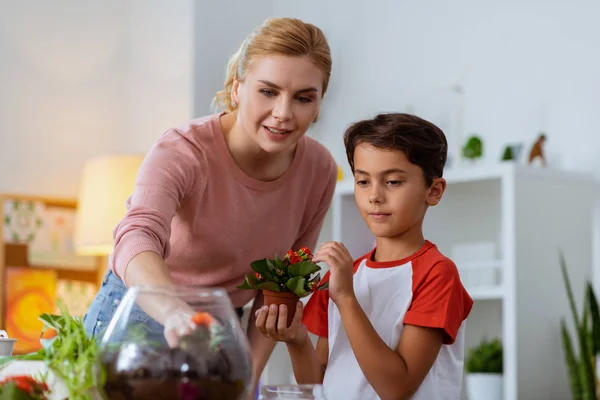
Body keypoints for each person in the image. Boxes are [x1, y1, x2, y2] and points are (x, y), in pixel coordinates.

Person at [82, 17, 337, 397]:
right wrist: (175, 313)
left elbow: (280, 285)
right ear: (237, 89)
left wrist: (248, 373)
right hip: (138, 312)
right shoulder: (183, 151)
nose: (284, 112)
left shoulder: (319, 170)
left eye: (303, 97)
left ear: (318, 105)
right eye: (268, 91)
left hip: (222, 324)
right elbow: (137, 236)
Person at [255, 113, 474, 400]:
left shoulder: (437, 273)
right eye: (363, 182)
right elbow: (320, 384)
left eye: (393, 182)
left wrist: (346, 298)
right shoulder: (344, 274)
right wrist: (296, 341)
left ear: (433, 191)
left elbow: (397, 388)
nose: (375, 196)